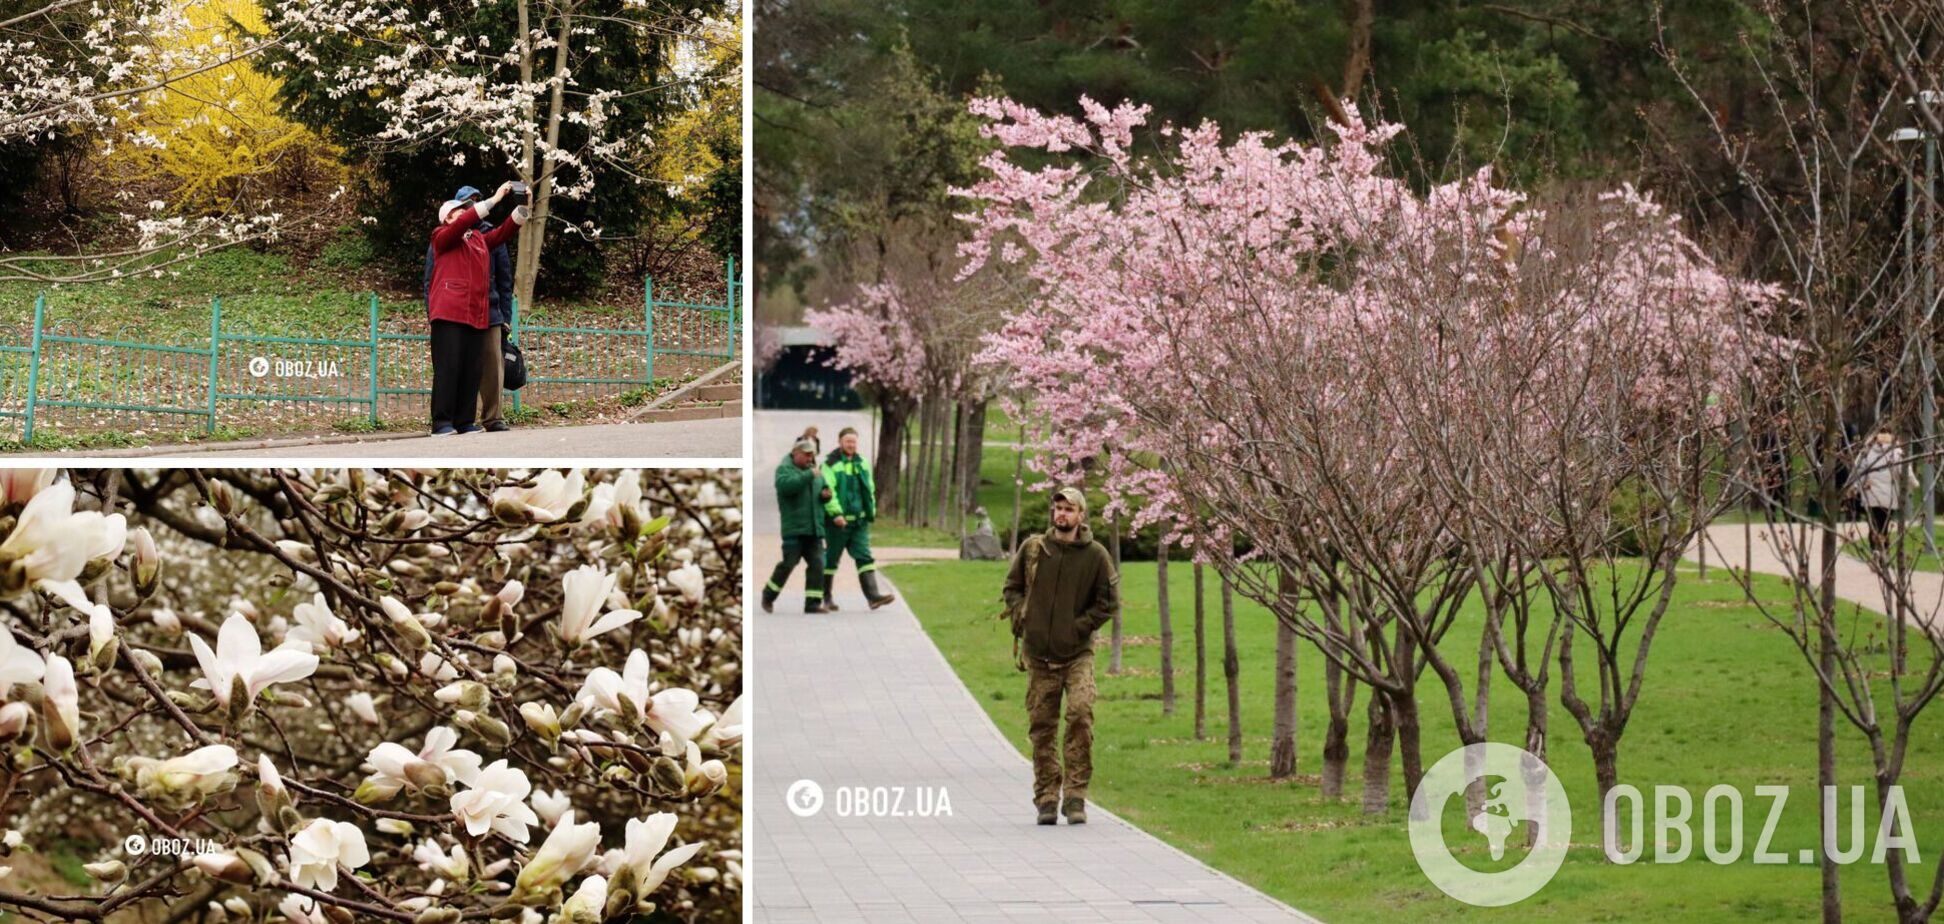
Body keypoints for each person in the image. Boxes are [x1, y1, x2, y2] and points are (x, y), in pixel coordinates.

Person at [1002, 486, 1119, 826]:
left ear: (1081, 514)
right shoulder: (1034, 549)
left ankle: (1076, 794)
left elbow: (1107, 603)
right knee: (1042, 727)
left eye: (1069, 509)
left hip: (1077, 654)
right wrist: (1022, 614)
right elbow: (1011, 588)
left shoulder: (1095, 555)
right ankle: (1047, 797)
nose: (1062, 514)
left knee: (1080, 715)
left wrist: (1078, 627)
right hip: (1039, 655)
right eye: (1058, 508)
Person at [426, 182, 527, 435]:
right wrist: (494, 199)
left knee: (471, 369)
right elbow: (463, 222)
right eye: (459, 210)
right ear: (447, 217)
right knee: (449, 368)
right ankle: (442, 422)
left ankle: (463, 421)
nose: (465, 212)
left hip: (476, 314)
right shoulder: (442, 236)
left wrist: (524, 206)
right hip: (449, 312)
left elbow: (504, 232)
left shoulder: (479, 239)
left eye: (466, 209)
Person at [821, 427, 895, 611]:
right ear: (840, 442)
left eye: (854, 441)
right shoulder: (830, 465)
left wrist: (871, 511)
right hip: (837, 523)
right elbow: (828, 493)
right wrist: (836, 514)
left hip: (859, 522)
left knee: (865, 557)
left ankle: (873, 597)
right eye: (848, 441)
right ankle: (826, 597)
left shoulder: (862, 463)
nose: (851, 445)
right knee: (830, 560)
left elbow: (869, 489)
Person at [763, 439, 828, 614]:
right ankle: (768, 595)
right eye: (806, 454)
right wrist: (809, 476)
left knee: (818, 564)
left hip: (813, 529)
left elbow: (823, 488)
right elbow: (787, 487)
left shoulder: (814, 471)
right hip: (794, 530)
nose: (809, 458)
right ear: (795, 453)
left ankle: (813, 603)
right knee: (788, 564)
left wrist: (826, 495)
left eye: (811, 455)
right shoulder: (784, 470)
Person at [1855, 430, 1915, 554]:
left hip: (1870, 496)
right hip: (1889, 498)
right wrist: (1913, 484)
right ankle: (1884, 551)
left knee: (1873, 525)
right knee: (1884, 526)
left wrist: (1856, 487)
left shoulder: (1866, 452)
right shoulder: (1896, 452)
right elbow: (1906, 472)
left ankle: (1874, 551)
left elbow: (1858, 470)